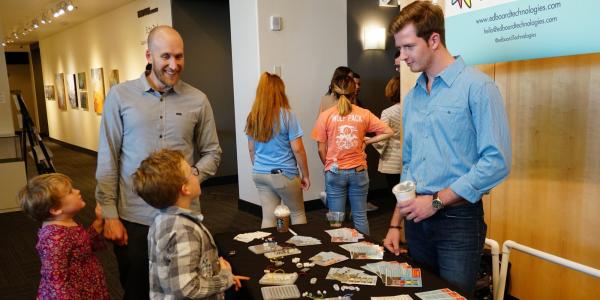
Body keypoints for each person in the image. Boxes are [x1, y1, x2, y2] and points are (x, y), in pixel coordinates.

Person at [382, 1, 512, 297]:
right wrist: (395, 223)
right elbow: (410, 164)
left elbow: (497, 162)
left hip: (458, 222)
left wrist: (437, 202)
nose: (401, 57)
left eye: (408, 47)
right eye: (399, 49)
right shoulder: (414, 96)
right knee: (419, 293)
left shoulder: (478, 88)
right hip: (415, 220)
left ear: (434, 39)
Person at [95, 25, 222, 298]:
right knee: (138, 289)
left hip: (184, 218)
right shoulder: (120, 96)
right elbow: (108, 158)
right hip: (135, 217)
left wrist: (190, 179)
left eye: (179, 56)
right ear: (149, 56)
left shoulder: (198, 99)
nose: (174, 65)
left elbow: (213, 152)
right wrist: (109, 213)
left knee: (185, 289)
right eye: (165, 56)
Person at [132, 149, 249, 299]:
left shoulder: (161, 220)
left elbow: (178, 271)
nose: (196, 173)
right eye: (192, 171)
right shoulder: (184, 231)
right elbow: (187, 288)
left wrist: (215, 269)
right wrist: (224, 278)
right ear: (185, 189)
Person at [312, 75, 393, 235]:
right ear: (354, 92)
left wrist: (328, 165)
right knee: (360, 216)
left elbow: (321, 149)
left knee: (336, 219)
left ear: (334, 93)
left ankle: (338, 255)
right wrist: (367, 141)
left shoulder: (325, 116)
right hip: (359, 171)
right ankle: (365, 255)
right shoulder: (364, 114)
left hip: (334, 171)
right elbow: (388, 131)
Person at [19, 173, 109, 299]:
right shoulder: (55, 239)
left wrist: (98, 222)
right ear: (55, 209)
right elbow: (56, 281)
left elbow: (81, 246)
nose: (77, 191)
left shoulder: (64, 223)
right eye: (70, 192)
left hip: (84, 284)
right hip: (74, 292)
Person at [245, 72, 310, 228]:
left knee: (268, 218)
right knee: (297, 213)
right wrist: (305, 175)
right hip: (284, 174)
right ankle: (304, 249)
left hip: (260, 173)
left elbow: (251, 150)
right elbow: (298, 149)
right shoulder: (287, 115)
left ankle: (268, 251)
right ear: (280, 91)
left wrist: (261, 168)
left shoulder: (253, 117)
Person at [372, 75, 402, 194]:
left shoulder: (388, 113)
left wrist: (369, 140)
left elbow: (381, 142)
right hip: (408, 158)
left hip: (392, 161)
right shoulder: (412, 109)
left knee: (396, 196)